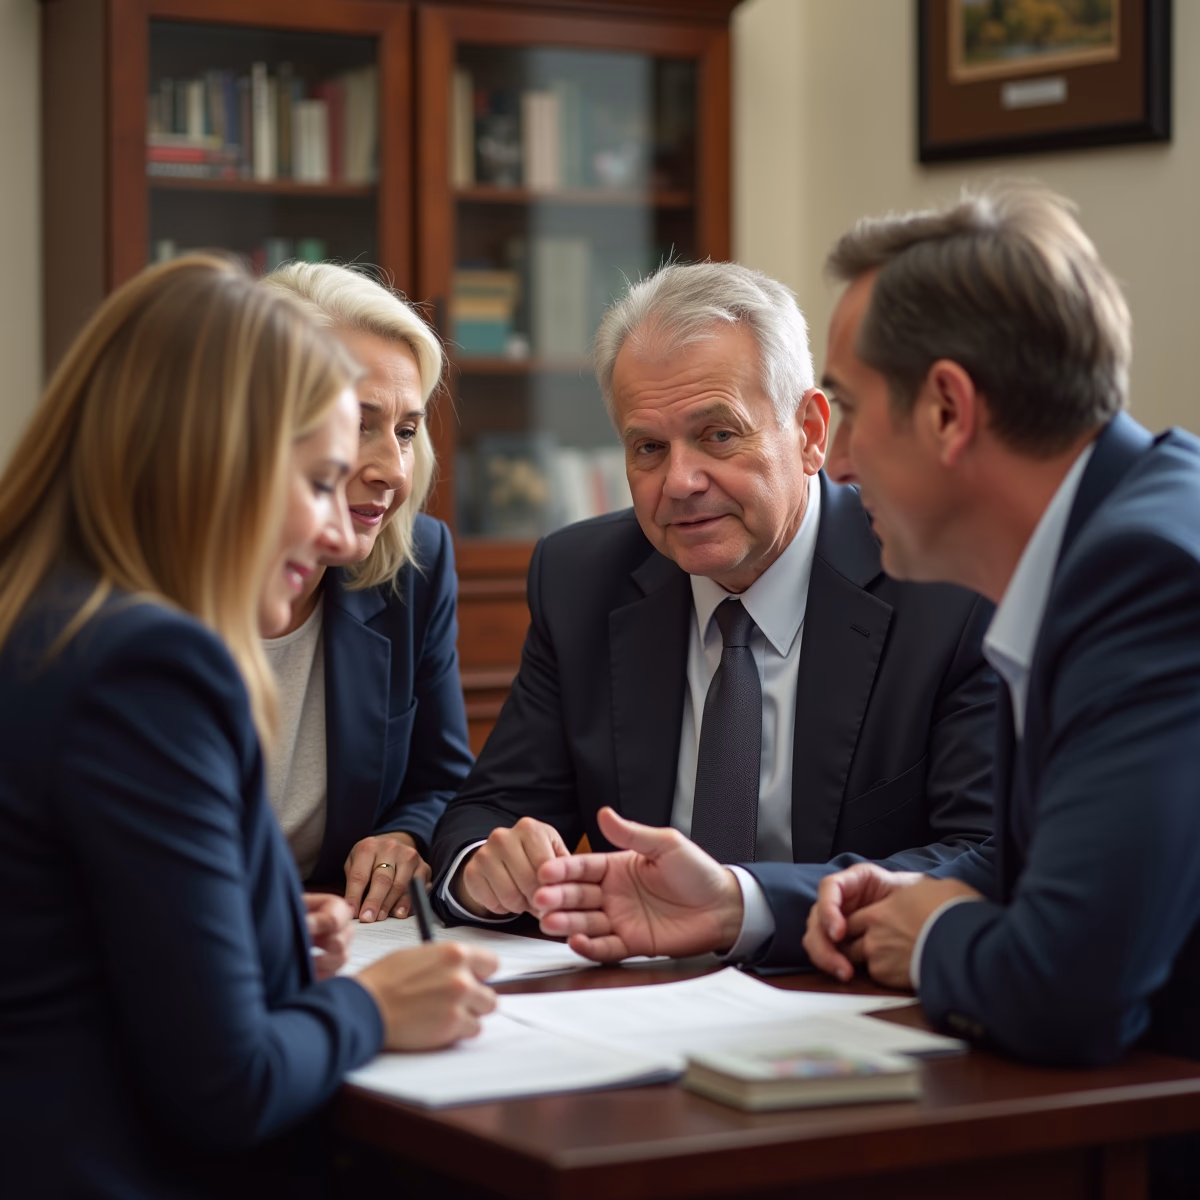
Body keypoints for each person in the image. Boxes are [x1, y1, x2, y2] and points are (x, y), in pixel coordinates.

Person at [531, 183, 1200, 1196]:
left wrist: (929, 925)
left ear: (946, 410)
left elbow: (1070, 989)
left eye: (846, 410)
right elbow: (1047, 888)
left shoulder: (1145, 576)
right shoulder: (1121, 533)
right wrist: (903, 899)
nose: (833, 460)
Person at [0, 256, 497, 1198]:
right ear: (213, 460)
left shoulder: (45, 616)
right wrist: (369, 1005)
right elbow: (226, 1085)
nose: (336, 533)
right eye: (318, 478)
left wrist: (258, 932)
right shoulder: (149, 664)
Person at [430, 260, 997, 932]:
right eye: (647, 447)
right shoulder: (581, 579)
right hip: (632, 1000)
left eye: (717, 435)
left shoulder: (944, 585)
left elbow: (981, 855)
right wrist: (485, 868)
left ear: (812, 432)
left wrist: (746, 908)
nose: (680, 481)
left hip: (839, 995)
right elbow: (486, 812)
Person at [261, 262, 473, 925]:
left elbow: (441, 780)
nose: (394, 472)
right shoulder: (127, 602)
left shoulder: (417, 563)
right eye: (359, 424)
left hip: (343, 936)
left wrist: (404, 837)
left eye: (407, 431)